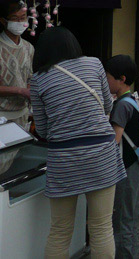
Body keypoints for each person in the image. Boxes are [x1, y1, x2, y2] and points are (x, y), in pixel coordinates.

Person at [29, 27, 126, 257]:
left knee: (60, 230)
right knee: (101, 228)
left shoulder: (38, 79)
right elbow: (107, 107)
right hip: (101, 152)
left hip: (64, 158)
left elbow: (42, 129)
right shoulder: (94, 64)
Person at [106, 54, 139, 259]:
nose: (106, 80)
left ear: (121, 79)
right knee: (129, 218)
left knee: (122, 220)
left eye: (108, 77)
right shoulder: (132, 99)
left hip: (126, 169)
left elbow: (115, 141)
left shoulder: (121, 105)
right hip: (135, 166)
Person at [0, 1, 33, 128]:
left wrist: (29, 91)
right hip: (2, 115)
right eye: (15, 18)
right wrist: (20, 91)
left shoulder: (28, 47)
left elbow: (30, 77)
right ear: (3, 21)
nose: (20, 22)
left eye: (23, 17)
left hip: (23, 114)